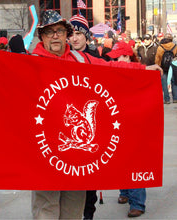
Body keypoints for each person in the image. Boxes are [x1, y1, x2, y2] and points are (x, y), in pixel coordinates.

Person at [31, 10, 162, 220]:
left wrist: (142, 70)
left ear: (66, 34)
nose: (55, 36)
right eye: (49, 32)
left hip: (76, 157)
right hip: (46, 152)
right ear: (42, 37)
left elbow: (112, 69)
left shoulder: (80, 59)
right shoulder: (29, 63)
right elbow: (3, 85)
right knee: (46, 209)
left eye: (59, 31)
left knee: (74, 209)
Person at [106, 41, 147, 218]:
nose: (116, 62)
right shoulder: (115, 73)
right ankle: (125, 191)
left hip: (134, 122)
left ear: (128, 57)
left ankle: (137, 202)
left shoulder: (139, 74)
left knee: (135, 161)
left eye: (119, 57)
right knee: (120, 159)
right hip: (117, 122)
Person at [69, 14, 99, 220]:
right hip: (68, 127)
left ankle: (88, 215)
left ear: (86, 36)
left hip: (91, 130)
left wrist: (144, 70)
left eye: (79, 33)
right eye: (71, 34)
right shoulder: (60, 59)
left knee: (89, 183)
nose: (74, 38)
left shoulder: (96, 60)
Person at [155, 33, 177, 104]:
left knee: (164, 83)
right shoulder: (175, 46)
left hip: (163, 67)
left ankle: (167, 99)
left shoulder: (160, 47)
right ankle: (175, 98)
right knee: (174, 82)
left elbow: (157, 58)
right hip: (173, 66)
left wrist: (157, 66)